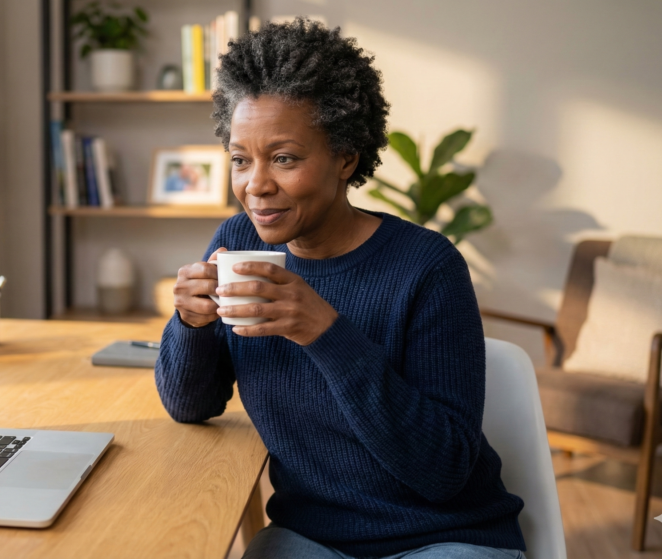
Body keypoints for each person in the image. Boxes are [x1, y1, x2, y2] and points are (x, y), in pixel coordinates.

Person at [155, 19, 527, 559]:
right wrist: (189, 325)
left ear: (345, 157)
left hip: (444, 537)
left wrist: (326, 332)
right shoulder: (237, 244)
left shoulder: (426, 267)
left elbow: (444, 470)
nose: (255, 185)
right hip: (311, 539)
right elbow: (192, 406)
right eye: (241, 158)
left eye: (284, 158)